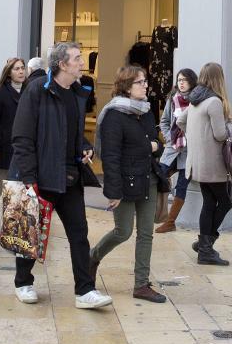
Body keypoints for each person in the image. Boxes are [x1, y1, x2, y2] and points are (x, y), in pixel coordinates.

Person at [11, 42, 112, 308]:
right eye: (77, 58)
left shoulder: (78, 93)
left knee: (79, 233)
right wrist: (29, 177)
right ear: (62, 64)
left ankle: (85, 291)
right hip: (41, 177)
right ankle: (23, 282)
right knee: (32, 232)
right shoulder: (37, 91)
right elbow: (22, 137)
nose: (82, 62)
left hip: (70, 177)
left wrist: (86, 148)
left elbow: (75, 134)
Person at [90, 65, 169, 303]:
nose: (145, 85)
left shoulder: (146, 111)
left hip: (149, 178)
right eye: (140, 82)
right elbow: (112, 156)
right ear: (126, 86)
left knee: (146, 233)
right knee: (123, 231)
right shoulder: (114, 115)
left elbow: (156, 140)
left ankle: (141, 284)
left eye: (145, 81)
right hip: (126, 182)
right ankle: (92, 257)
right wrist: (113, 191)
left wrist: (154, 146)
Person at [177, 62, 231, 266]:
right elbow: (220, 134)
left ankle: (204, 246)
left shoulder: (194, 100)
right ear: (219, 78)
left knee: (209, 203)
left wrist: (196, 138)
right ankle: (206, 246)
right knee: (226, 201)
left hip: (197, 163)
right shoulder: (214, 102)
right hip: (214, 164)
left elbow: (180, 122)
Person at [0, 58, 27, 232]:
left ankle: (13, 221)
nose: (21, 71)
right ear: (9, 72)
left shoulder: (29, 92)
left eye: (23, 68)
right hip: (3, 148)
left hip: (23, 148)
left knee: (19, 187)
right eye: (17, 69)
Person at [155, 68, 198, 233]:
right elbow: (165, 121)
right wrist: (168, 137)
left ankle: (170, 222)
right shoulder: (172, 99)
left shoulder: (197, 101)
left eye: (184, 80)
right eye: (179, 79)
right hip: (172, 149)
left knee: (181, 186)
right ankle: (155, 213)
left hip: (189, 152)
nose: (181, 82)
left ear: (191, 82)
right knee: (158, 177)